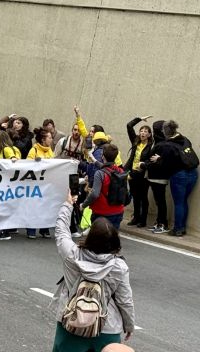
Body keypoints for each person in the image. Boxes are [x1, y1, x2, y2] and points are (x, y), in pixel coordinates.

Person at [52, 191, 135, 351]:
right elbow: (125, 300)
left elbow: (61, 230)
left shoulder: (72, 255)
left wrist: (68, 205)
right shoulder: (119, 266)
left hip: (71, 322)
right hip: (106, 326)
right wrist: (129, 325)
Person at [147, 120, 198, 237]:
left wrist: (158, 159)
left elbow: (167, 164)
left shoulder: (167, 145)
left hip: (179, 175)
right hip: (193, 173)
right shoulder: (185, 139)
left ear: (165, 132)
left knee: (179, 203)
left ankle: (178, 229)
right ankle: (182, 227)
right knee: (184, 201)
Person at [81, 144, 126, 229]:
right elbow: (105, 166)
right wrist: (94, 160)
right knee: (113, 238)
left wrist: (83, 205)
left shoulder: (100, 173)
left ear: (102, 156)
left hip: (102, 213)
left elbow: (94, 194)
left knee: (100, 240)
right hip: (118, 212)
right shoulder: (120, 171)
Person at [123, 116, 153, 228]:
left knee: (143, 197)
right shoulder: (135, 141)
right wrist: (140, 119)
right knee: (135, 196)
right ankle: (135, 217)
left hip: (143, 174)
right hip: (132, 173)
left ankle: (143, 220)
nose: (143, 133)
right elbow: (129, 126)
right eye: (141, 131)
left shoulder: (151, 146)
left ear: (149, 135)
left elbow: (148, 161)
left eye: (146, 131)